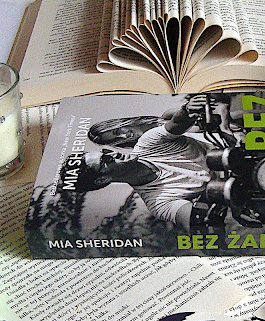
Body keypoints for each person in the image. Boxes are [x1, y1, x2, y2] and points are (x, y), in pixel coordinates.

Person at [66, 94, 228, 232]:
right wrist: (202, 219)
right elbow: (193, 220)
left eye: (106, 152)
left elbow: (177, 123)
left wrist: (187, 109)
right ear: (103, 179)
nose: (112, 153)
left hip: (233, 147)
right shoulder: (157, 202)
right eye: (105, 160)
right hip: (233, 185)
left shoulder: (147, 142)